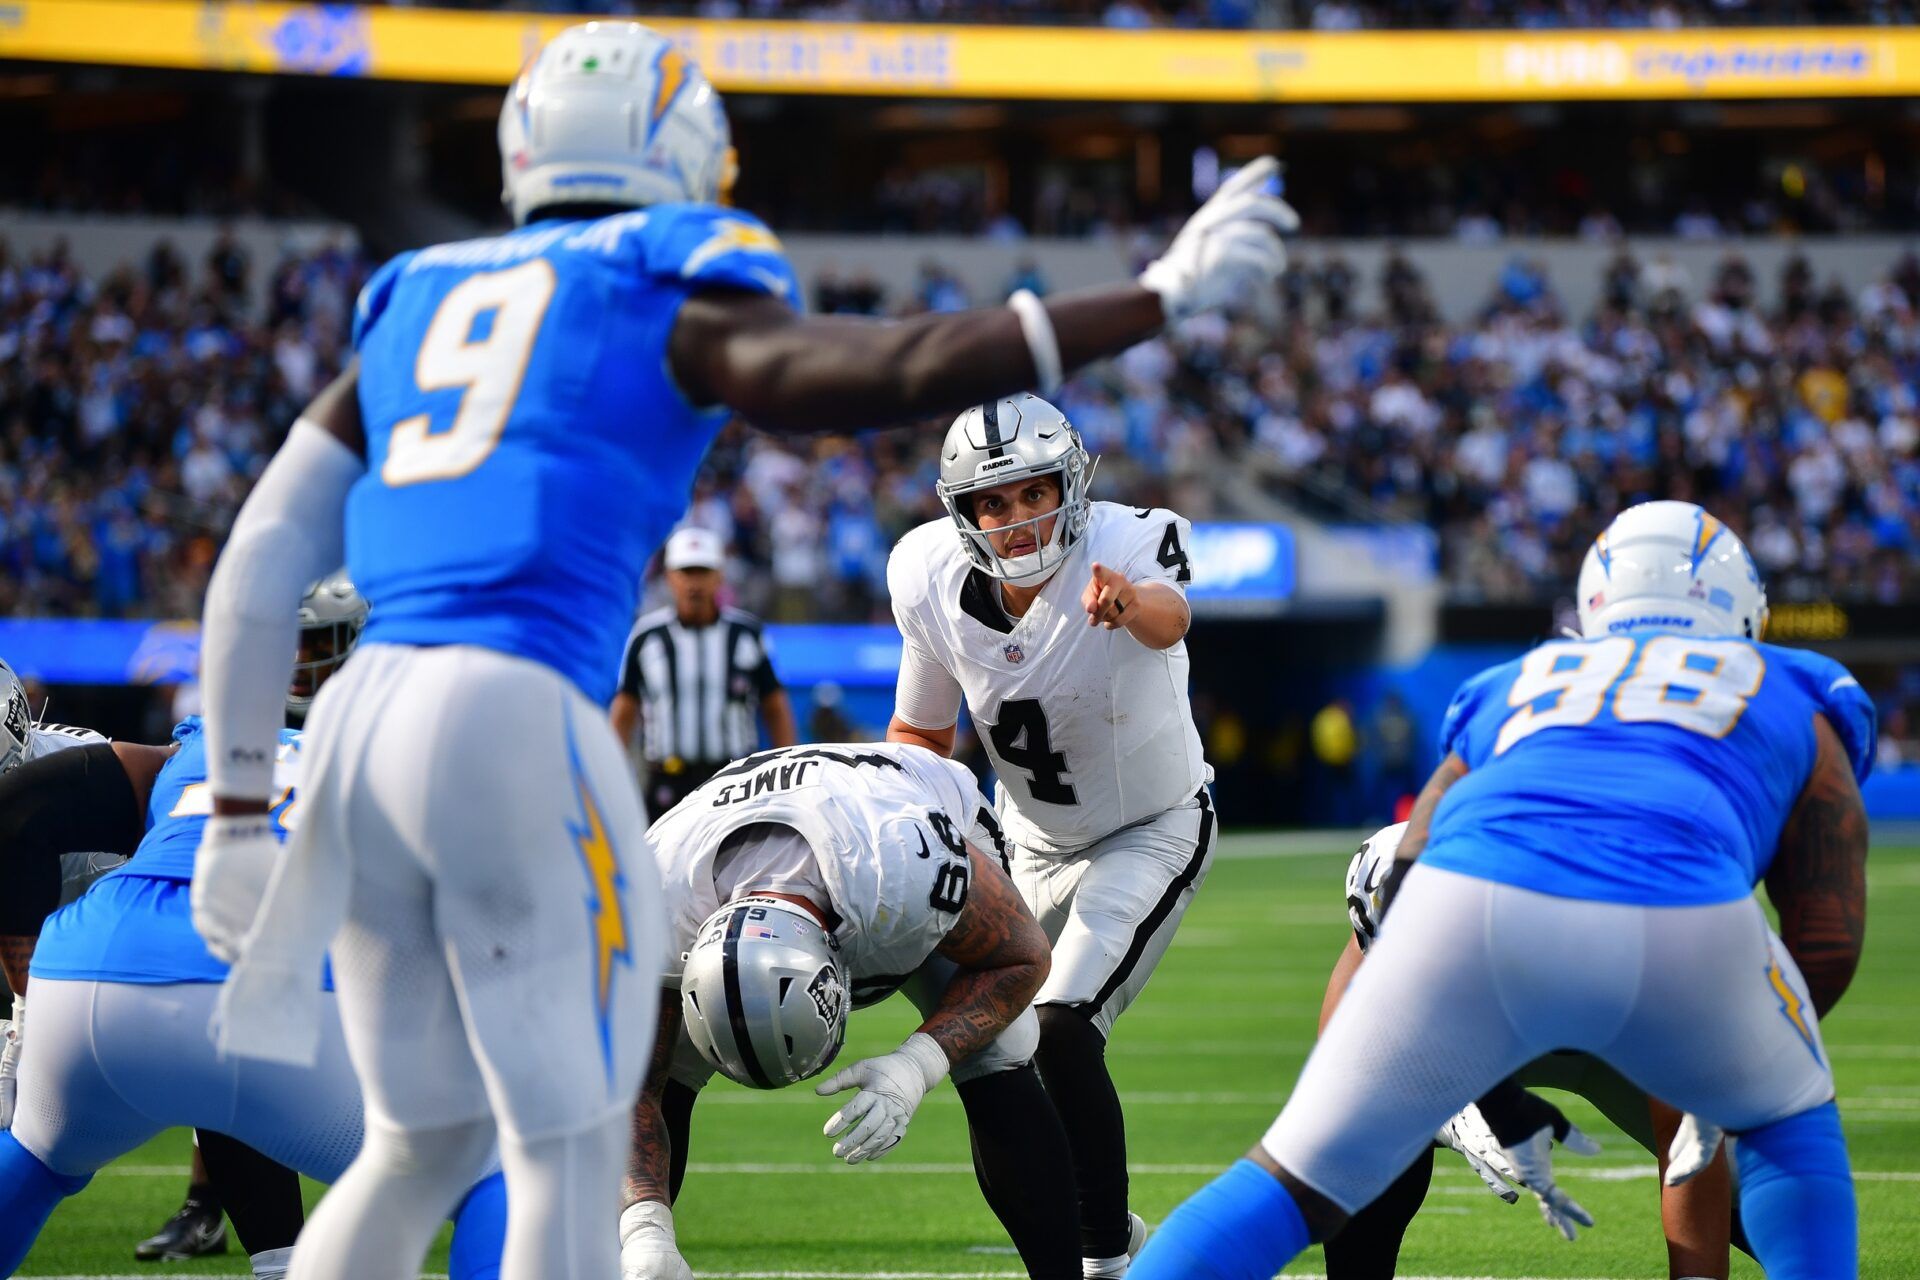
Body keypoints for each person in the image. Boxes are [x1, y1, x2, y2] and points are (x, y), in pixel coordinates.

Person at [188, 21, 1294, 1280]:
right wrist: (1148, 300)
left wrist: (231, 810)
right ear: (682, 155)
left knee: (413, 1145)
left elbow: (259, 560)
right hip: (516, 720)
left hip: (350, 729)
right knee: (558, 1140)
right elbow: (881, 366)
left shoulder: (418, 288)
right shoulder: (655, 276)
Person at [1131, 500, 1875, 1280]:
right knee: (1792, 1140)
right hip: (1676, 917)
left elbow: (1406, 866)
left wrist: (1441, 1045)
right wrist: (1745, 1069)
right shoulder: (1792, 686)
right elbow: (1825, 935)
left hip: (1466, 915)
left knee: (1287, 1184)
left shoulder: (1520, 681)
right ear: (1743, 609)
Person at [0, 577, 507, 1280]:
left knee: (35, 1160)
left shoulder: (199, 745)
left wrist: (26, 996)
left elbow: (17, 811)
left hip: (91, 979)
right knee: (496, 1169)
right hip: (274, 992)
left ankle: (280, 1260)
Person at [886, 394, 1214, 1278]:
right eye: (993, 503)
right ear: (963, 514)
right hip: (1026, 844)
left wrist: (1129, 603)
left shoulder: (1130, 540)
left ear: (1069, 484)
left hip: (1152, 825)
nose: (1017, 517)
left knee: (1065, 1023)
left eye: (1032, 493)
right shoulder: (925, 574)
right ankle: (1065, 1257)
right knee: (991, 1050)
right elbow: (919, 732)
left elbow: (1173, 618)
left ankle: (1107, 1255)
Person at [621, 741, 1078, 1280]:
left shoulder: (901, 872)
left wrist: (918, 1063)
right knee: (650, 1072)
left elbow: (1022, 957)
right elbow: (630, 1096)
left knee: (1000, 1051)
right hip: (739, 841)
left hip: (904, 807)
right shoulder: (647, 905)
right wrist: (643, 1231)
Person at [1326, 822, 1756, 1279]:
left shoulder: (1609, 936)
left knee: (1752, 1187)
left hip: (1609, 1041)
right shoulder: (1381, 935)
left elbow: (1684, 1130)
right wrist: (1446, 1116)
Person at [0, 659, 282, 1266]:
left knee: (212, 1052)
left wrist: (28, 1018)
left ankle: (222, 1215)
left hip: (120, 957)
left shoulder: (85, 787)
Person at [611, 526, 797, 816]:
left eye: (703, 571)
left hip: (735, 780)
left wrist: (786, 770)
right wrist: (608, 773)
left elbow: (775, 707)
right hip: (667, 779)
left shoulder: (746, 635)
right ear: (670, 577)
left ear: (719, 575)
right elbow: (624, 712)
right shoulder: (647, 637)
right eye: (686, 572)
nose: (694, 583)